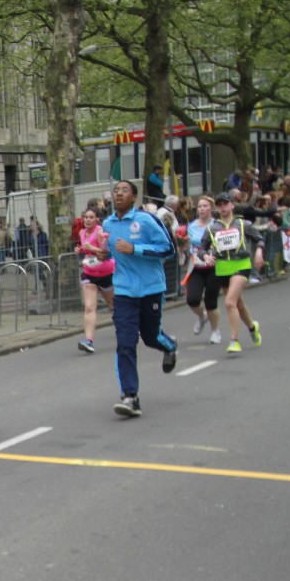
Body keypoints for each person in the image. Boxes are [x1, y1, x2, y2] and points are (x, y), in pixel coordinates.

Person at [102, 179, 179, 418]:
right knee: (125, 343)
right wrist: (102, 253)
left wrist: (134, 249)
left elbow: (168, 249)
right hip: (124, 291)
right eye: (116, 191)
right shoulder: (108, 223)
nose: (119, 194)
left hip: (150, 289)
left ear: (134, 197)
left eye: (124, 190)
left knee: (150, 336)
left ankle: (170, 346)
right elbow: (110, 252)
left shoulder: (146, 220)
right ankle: (130, 397)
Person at [198, 192, 264, 354]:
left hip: (241, 264)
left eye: (225, 204)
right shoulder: (212, 228)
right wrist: (205, 256)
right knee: (238, 304)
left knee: (229, 302)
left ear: (232, 205)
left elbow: (259, 239)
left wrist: (258, 252)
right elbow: (201, 248)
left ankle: (234, 341)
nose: (223, 208)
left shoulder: (243, 224)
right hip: (222, 268)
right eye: (219, 205)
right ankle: (252, 327)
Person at [183, 196, 222, 345]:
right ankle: (202, 316)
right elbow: (189, 244)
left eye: (205, 206)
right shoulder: (191, 226)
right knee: (192, 299)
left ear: (211, 208)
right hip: (197, 266)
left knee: (211, 301)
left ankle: (215, 331)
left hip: (214, 266)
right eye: (199, 206)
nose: (202, 209)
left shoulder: (217, 225)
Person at [75, 207, 114, 353]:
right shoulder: (82, 232)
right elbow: (86, 251)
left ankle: (130, 329)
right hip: (89, 273)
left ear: (97, 219)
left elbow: (107, 253)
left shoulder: (100, 232)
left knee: (114, 307)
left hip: (106, 273)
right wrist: (80, 250)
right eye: (86, 217)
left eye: (91, 217)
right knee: (89, 307)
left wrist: (92, 247)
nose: (88, 220)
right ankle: (89, 341)